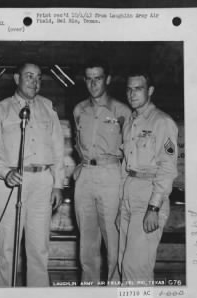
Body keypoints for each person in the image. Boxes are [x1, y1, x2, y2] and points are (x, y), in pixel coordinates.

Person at [0, 62, 65, 287]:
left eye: (38, 77)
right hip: (11, 183)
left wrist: (58, 183)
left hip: (42, 183)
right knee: (7, 249)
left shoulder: (48, 107)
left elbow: (58, 148)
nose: (34, 82)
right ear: (16, 79)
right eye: (29, 76)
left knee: (39, 249)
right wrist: (5, 172)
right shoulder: (0, 109)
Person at [72, 59, 131, 286]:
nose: (93, 83)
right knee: (87, 241)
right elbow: (79, 144)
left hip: (111, 174)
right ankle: (90, 291)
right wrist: (80, 165)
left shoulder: (122, 110)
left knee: (113, 240)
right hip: (86, 175)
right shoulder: (79, 109)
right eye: (89, 78)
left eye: (98, 78)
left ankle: (114, 291)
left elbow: (130, 150)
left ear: (107, 79)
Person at [116, 69, 178, 286]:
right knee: (122, 263)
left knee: (136, 270)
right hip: (129, 195)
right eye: (129, 89)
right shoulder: (130, 122)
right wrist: (122, 203)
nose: (132, 94)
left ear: (150, 91)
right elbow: (126, 164)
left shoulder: (162, 122)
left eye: (138, 89)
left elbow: (168, 168)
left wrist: (154, 208)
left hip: (149, 195)